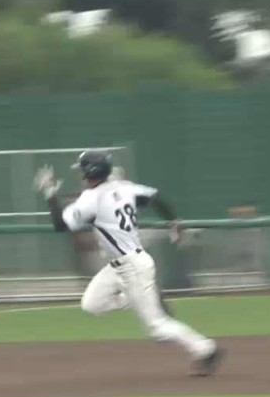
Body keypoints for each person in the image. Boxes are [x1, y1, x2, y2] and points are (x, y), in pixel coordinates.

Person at [34, 150, 224, 376]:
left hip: (132, 267)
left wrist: (50, 192)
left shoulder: (91, 199)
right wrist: (173, 223)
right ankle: (142, 297)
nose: (80, 175)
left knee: (157, 328)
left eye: (82, 170)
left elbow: (60, 225)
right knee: (91, 305)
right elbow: (156, 198)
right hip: (119, 266)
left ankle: (206, 349)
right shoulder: (124, 187)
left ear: (89, 173)